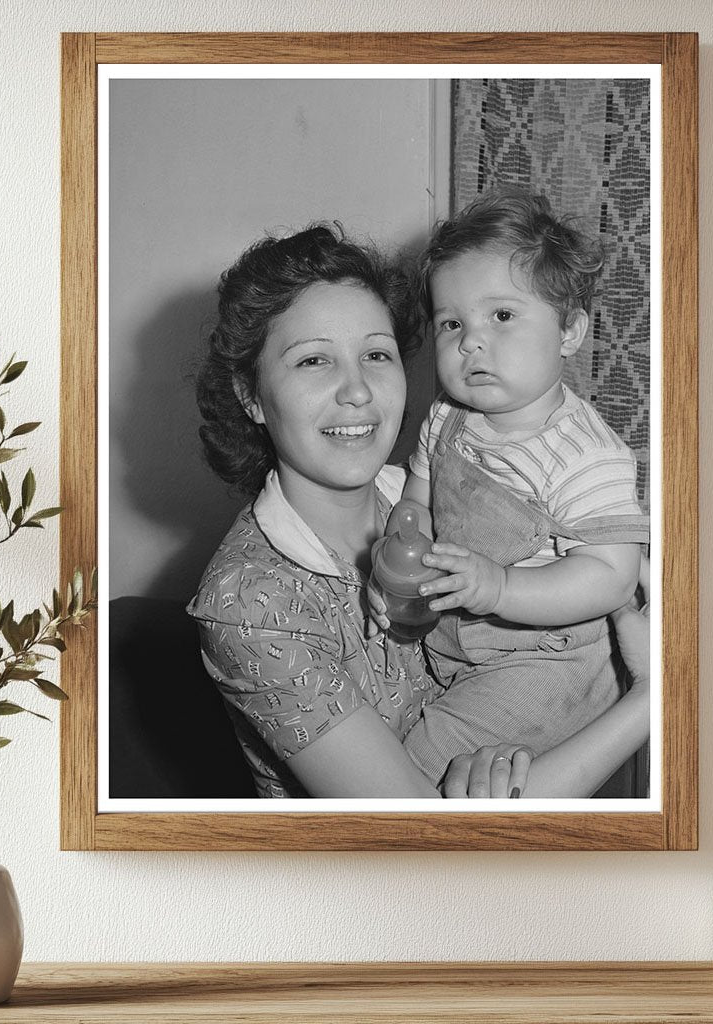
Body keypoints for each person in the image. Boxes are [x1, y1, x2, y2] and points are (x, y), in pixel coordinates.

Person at [188, 223, 649, 799]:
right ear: (251, 395)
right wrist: (654, 700)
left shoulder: (458, 493)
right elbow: (419, 831)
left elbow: (610, 582)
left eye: (376, 354)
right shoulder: (250, 603)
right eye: (313, 361)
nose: (357, 390)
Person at [376, 187, 650, 782]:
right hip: (451, 640)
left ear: (569, 332)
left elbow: (611, 577)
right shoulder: (447, 417)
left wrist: (498, 587)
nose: (471, 340)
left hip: (547, 666)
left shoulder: (586, 455)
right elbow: (416, 504)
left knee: (410, 774)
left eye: (501, 315)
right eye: (452, 323)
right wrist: (402, 562)